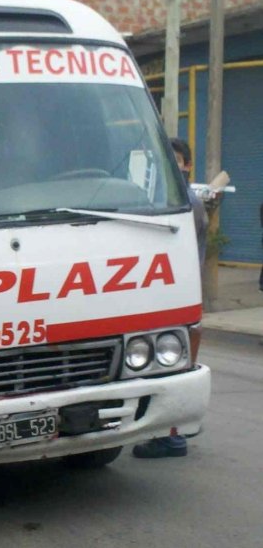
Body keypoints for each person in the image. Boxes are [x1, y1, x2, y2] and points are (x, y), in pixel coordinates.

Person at [133, 137, 208, 459]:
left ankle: (173, 437)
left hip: (177, 293)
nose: (171, 165)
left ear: (187, 165)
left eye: (176, 160)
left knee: (174, 367)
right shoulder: (170, 198)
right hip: (172, 291)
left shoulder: (184, 203)